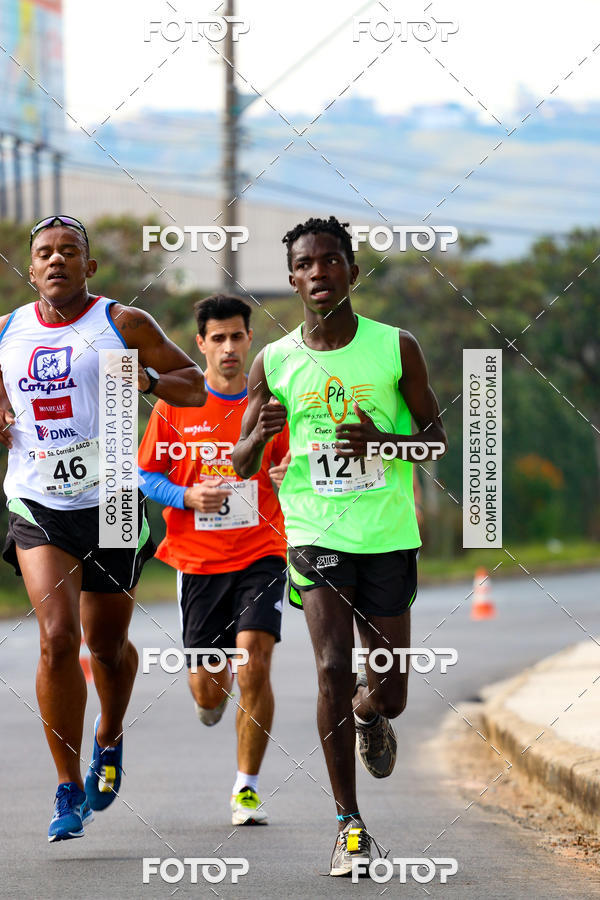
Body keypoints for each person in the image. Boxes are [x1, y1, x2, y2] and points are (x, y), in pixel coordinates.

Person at [233, 216, 447, 875]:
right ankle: (348, 825)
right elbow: (241, 464)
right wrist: (259, 438)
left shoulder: (395, 347)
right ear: (292, 278)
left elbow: (435, 441)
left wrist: (382, 443)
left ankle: (369, 713)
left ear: (353, 272)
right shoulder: (274, 362)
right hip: (315, 532)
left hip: (384, 534)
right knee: (329, 665)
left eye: (331, 261)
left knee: (389, 694)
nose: (319, 273)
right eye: (306, 264)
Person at [0, 215, 206, 842]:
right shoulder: (6, 333)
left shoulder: (122, 323)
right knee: (58, 639)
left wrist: (140, 380)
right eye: (45, 253)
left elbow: (194, 387)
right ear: (30, 269)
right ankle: (66, 787)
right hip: (38, 502)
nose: (57, 260)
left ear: (89, 267)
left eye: (70, 252)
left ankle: (108, 738)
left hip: (113, 500)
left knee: (106, 648)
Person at [138, 294, 289, 825]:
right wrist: (185, 497)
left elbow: (294, 461)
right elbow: (144, 473)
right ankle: (209, 695)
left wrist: (286, 475)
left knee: (254, 658)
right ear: (201, 344)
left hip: (262, 550)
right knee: (210, 684)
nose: (228, 348)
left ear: (250, 340)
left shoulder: (273, 403)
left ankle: (246, 787)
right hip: (198, 561)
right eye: (217, 338)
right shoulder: (178, 401)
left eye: (237, 336)